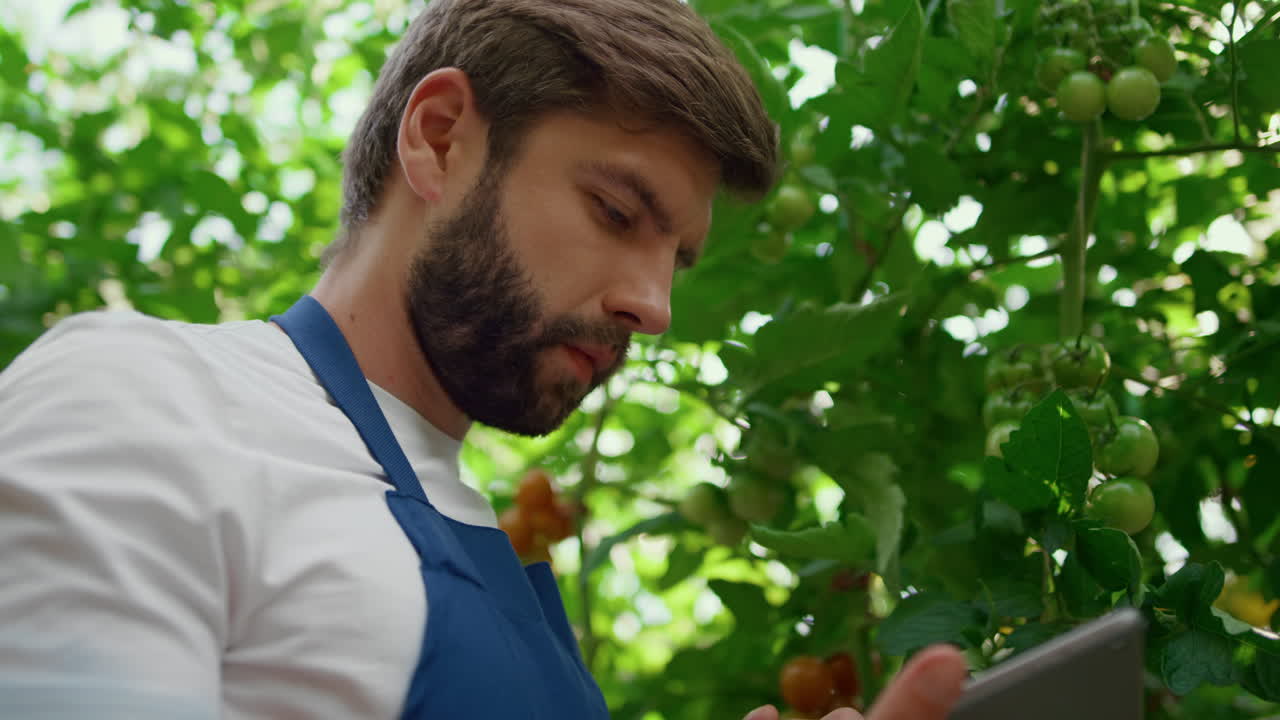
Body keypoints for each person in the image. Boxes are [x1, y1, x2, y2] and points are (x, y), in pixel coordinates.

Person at [0, 0, 968, 717]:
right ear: (439, 138)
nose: (655, 305)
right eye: (616, 213)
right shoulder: (151, 400)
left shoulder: (503, 565)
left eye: (675, 259)